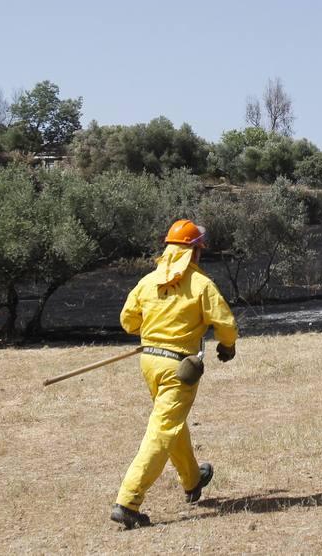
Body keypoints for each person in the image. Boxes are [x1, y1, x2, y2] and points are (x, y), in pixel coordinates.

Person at [111, 219, 239, 530]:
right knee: (162, 429)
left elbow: (128, 322)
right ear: (195, 252)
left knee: (170, 422)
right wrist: (227, 346)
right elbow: (226, 324)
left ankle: (192, 480)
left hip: (150, 363)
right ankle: (128, 501)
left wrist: (156, 326)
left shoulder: (147, 282)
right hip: (178, 368)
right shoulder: (201, 285)